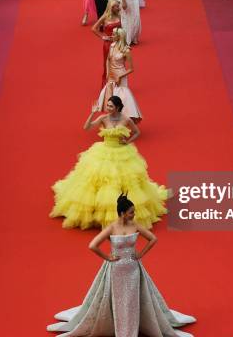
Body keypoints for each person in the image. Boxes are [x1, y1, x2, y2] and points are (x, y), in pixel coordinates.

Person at [47, 195, 195, 335]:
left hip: (133, 269)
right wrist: (107, 258)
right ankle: (117, 327)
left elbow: (153, 239)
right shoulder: (111, 228)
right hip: (116, 270)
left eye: (134, 212)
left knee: (132, 300)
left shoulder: (135, 225)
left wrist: (141, 253)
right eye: (131, 212)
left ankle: (132, 327)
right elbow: (93, 245)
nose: (134, 215)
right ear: (122, 213)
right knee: (117, 300)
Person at [50, 96, 166, 229]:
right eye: (107, 105)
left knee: (124, 181)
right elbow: (87, 127)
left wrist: (127, 141)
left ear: (117, 107)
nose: (108, 108)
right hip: (104, 152)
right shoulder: (103, 118)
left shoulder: (126, 119)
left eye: (110, 106)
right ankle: (96, 212)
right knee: (98, 181)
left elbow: (137, 132)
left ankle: (119, 211)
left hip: (122, 153)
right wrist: (93, 113)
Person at [96, 27, 142, 121]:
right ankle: (113, 120)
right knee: (110, 97)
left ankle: (124, 120)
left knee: (121, 98)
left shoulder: (126, 50)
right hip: (112, 76)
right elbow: (108, 60)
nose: (112, 35)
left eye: (114, 34)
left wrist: (120, 77)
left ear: (119, 36)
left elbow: (131, 69)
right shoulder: (112, 45)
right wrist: (108, 74)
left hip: (120, 76)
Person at [92, 0, 122, 87]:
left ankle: (117, 83)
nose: (118, 8)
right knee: (108, 64)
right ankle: (107, 85)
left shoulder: (119, 15)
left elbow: (122, 29)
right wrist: (103, 36)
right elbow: (93, 28)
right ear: (111, 7)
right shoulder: (105, 17)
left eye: (118, 6)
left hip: (118, 43)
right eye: (116, 6)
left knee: (118, 64)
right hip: (108, 44)